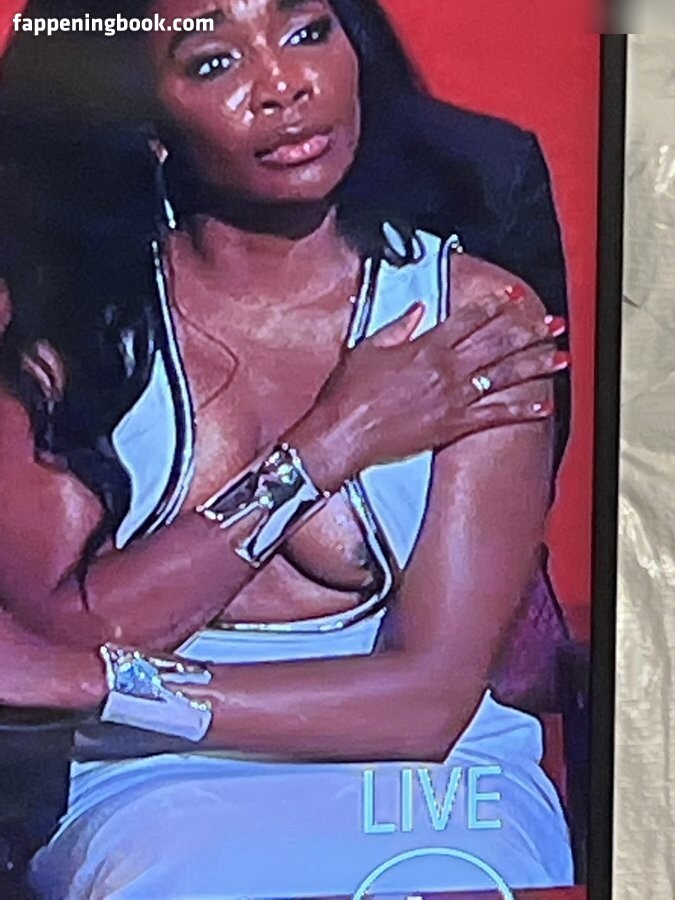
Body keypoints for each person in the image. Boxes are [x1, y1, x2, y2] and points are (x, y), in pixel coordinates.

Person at [0, 0, 573, 895]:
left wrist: (108, 686)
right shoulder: (67, 329)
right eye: (212, 62)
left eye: (307, 32)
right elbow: (71, 634)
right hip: (149, 779)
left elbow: (426, 705)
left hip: (431, 778)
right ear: (144, 117)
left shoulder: (469, 320)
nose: (283, 86)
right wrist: (326, 446)